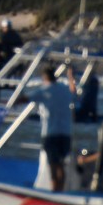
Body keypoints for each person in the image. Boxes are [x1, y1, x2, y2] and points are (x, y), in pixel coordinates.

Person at [24, 64, 77, 192]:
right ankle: (60, 190)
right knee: (61, 165)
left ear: (44, 77)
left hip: (51, 133)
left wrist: (5, 104)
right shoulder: (64, 89)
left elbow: (25, 99)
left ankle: (54, 191)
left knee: (54, 165)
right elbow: (73, 91)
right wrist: (70, 76)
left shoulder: (44, 90)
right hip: (65, 134)